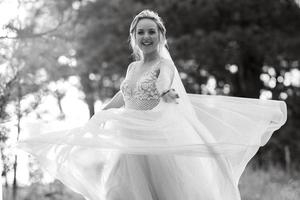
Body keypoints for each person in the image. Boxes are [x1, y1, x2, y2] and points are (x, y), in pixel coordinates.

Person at [16, 10, 287, 200]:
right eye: (142, 32)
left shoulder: (164, 65)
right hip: (128, 139)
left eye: (152, 32)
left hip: (156, 138)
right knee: (120, 191)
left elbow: (165, 85)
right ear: (135, 36)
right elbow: (124, 95)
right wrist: (99, 116)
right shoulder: (133, 66)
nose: (147, 37)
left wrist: (165, 92)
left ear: (160, 35)